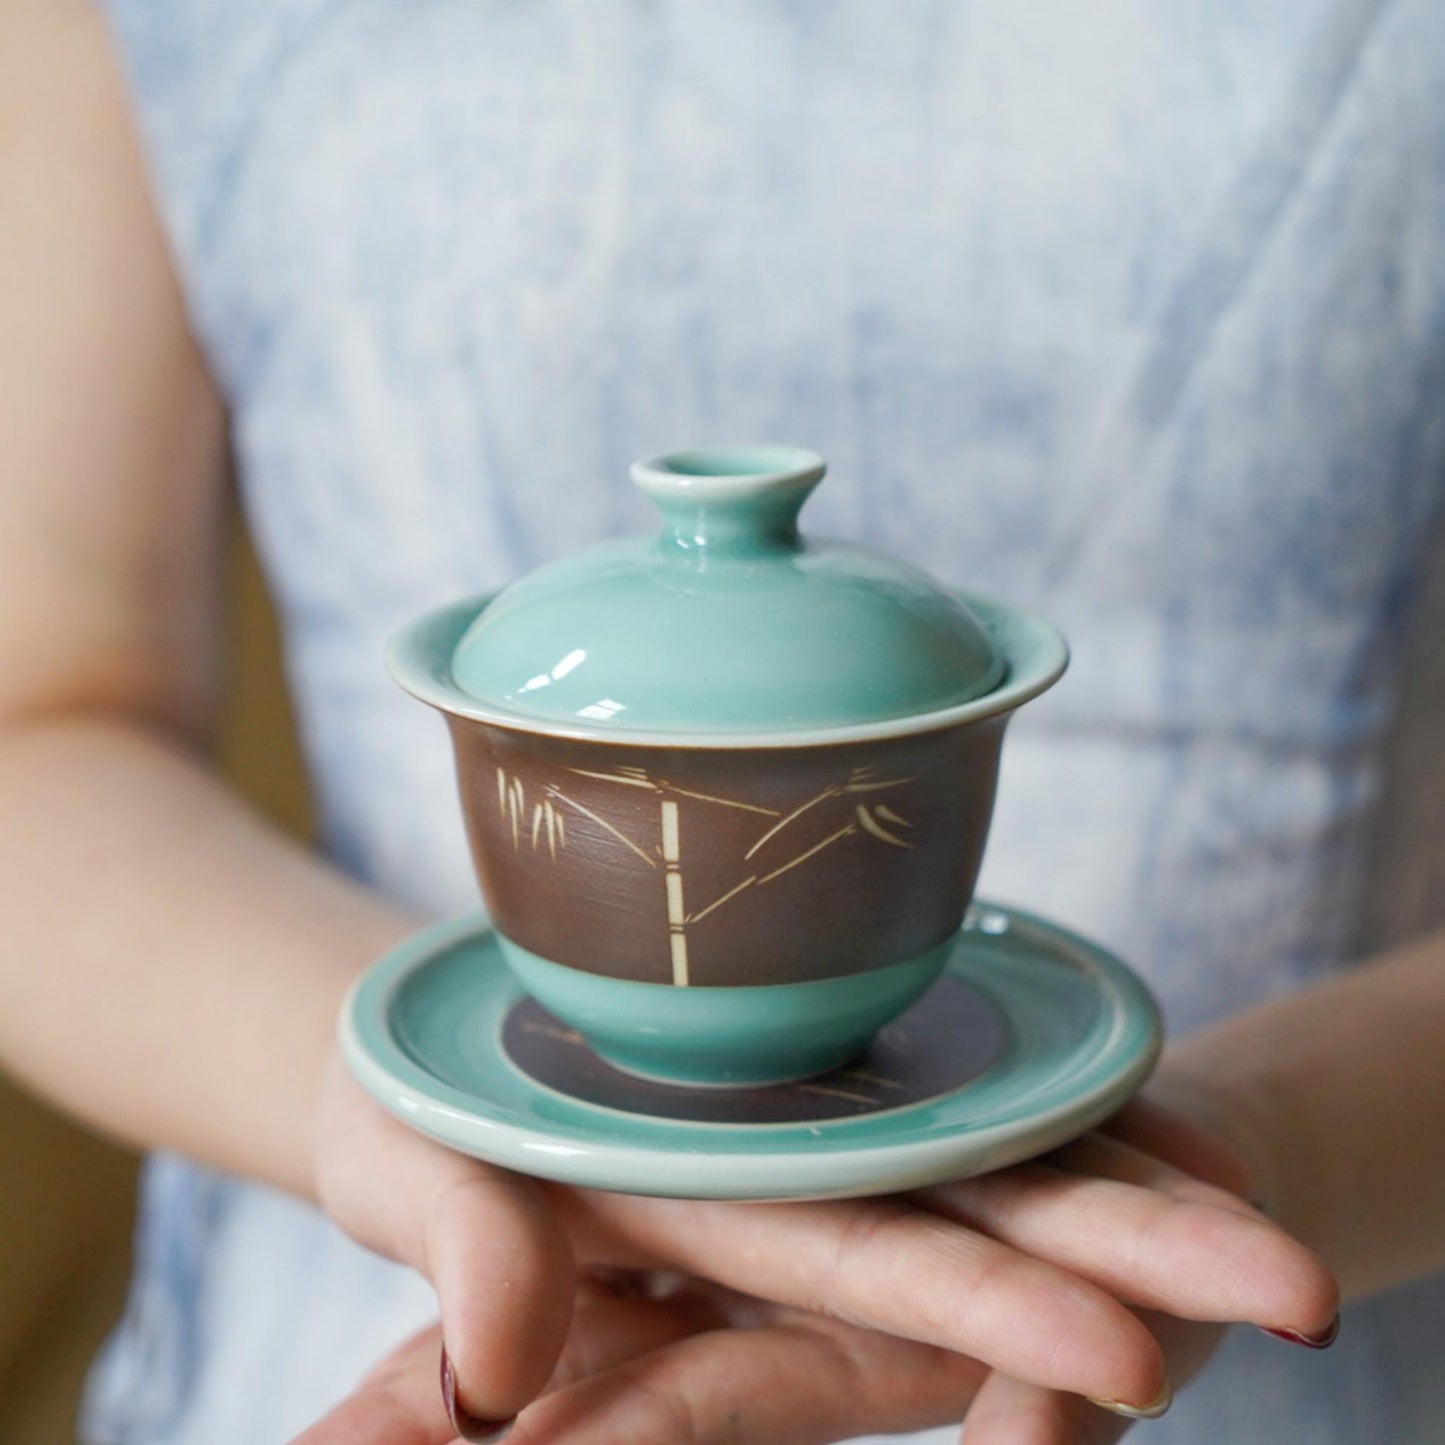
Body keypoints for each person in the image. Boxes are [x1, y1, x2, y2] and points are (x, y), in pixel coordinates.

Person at [2, 1, 1442, 1442]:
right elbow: (42, 725)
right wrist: (374, 1098)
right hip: (391, 1290)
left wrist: (1266, 1135)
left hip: (1286, 1302)